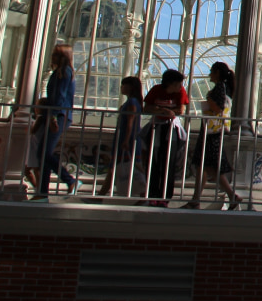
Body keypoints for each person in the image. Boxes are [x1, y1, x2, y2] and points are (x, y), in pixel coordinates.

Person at [186, 67, 243, 210]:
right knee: (205, 165)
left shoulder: (220, 87)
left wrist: (209, 98)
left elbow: (218, 108)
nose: (209, 74)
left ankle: (230, 195)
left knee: (209, 166)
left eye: (212, 71)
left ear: (217, 73)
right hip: (213, 131)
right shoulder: (226, 87)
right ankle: (196, 199)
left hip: (212, 131)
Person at [29, 44, 79, 200]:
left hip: (58, 115)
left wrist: (53, 117)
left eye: (56, 55)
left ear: (64, 57)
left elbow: (59, 97)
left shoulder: (63, 72)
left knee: (43, 152)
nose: (53, 57)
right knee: (44, 154)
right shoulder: (61, 73)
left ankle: (69, 180)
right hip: (57, 114)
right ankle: (42, 192)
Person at [141, 68, 191, 206]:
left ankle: (165, 196)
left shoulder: (180, 92)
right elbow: (146, 108)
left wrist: (162, 111)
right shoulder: (156, 90)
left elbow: (180, 110)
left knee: (168, 162)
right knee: (153, 161)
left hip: (171, 128)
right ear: (170, 83)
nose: (180, 86)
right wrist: (163, 111)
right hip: (156, 126)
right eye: (178, 83)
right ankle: (152, 194)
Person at [102, 76, 145, 199]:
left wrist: (125, 140)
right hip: (129, 139)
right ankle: (143, 195)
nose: (121, 87)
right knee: (127, 166)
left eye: (123, 85)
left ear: (130, 87)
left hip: (128, 139)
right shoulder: (133, 102)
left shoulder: (131, 103)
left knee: (118, 167)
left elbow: (130, 123)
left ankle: (101, 195)